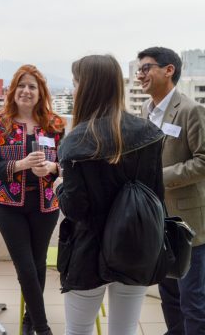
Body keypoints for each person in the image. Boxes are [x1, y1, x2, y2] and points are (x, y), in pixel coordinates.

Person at [53, 55, 164, 335]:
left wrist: (58, 186)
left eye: (75, 83)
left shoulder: (75, 141)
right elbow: (157, 197)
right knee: (124, 330)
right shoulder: (149, 133)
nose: (73, 90)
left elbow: (75, 208)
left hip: (88, 251)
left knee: (78, 330)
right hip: (136, 246)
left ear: (87, 88)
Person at [0, 65, 64, 335]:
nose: (26, 91)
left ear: (41, 93)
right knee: (26, 267)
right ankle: (42, 327)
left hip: (45, 204)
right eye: (21, 85)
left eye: (32, 87)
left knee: (38, 265)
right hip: (9, 205)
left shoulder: (55, 124)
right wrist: (20, 164)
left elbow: (68, 164)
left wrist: (52, 168)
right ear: (13, 90)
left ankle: (29, 319)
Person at [137, 46, 205, 335]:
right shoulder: (145, 110)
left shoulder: (191, 110)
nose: (140, 75)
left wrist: (160, 177)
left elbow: (203, 161)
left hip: (188, 223)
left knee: (193, 299)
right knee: (169, 295)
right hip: (156, 219)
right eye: (139, 70)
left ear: (169, 70)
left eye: (146, 68)